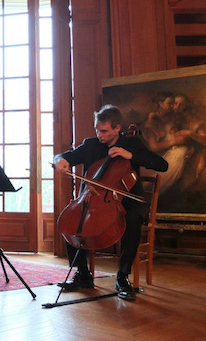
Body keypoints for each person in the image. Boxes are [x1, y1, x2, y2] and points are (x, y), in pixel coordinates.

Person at [53, 105, 168, 301]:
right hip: (93, 201)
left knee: (132, 220)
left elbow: (162, 165)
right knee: (72, 221)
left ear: (117, 128)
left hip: (129, 201)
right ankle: (82, 274)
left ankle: (122, 277)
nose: (99, 134)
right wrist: (60, 160)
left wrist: (130, 156)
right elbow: (64, 156)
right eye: (97, 129)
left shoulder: (132, 144)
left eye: (104, 131)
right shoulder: (90, 145)